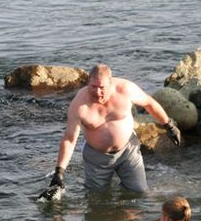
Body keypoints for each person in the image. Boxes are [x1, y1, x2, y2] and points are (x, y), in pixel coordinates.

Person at [40, 64, 181, 197]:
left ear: (111, 83)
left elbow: (149, 103)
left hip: (128, 151)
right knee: (96, 199)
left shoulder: (125, 90)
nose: (97, 92)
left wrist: (169, 126)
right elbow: (70, 139)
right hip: (97, 158)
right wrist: (59, 172)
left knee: (139, 194)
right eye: (93, 86)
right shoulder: (79, 105)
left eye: (101, 87)